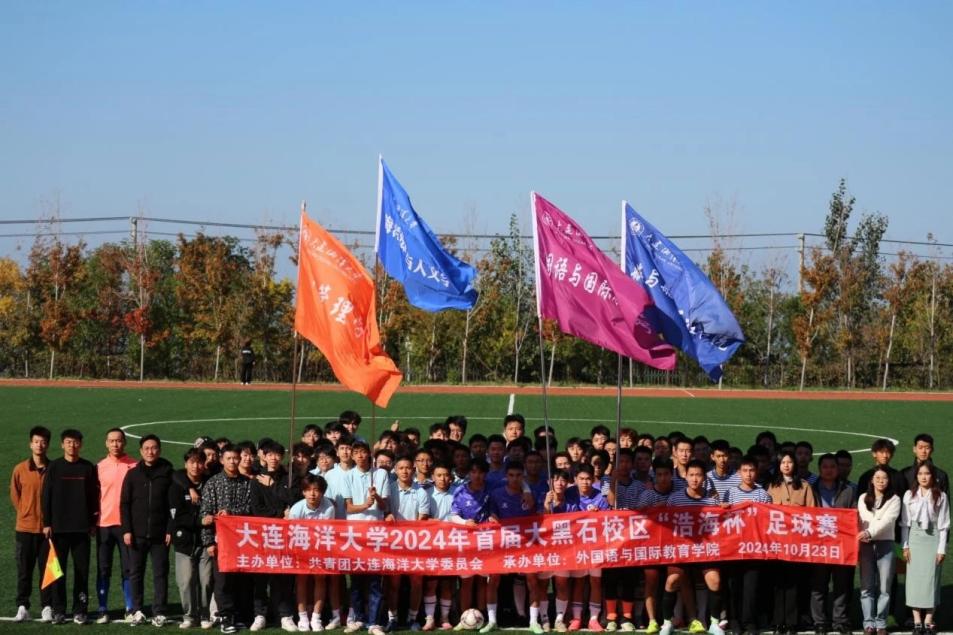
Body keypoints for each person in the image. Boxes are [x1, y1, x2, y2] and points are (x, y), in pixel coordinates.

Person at [41, 428, 100, 625]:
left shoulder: (87, 467)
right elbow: (46, 496)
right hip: (58, 529)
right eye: (68, 442)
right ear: (62, 445)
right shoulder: (54, 467)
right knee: (58, 571)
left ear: (80, 444)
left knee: (81, 571)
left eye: (75, 442)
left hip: (82, 529)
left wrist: (92, 522)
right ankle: (59, 610)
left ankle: (80, 610)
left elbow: (93, 497)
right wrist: (47, 523)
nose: (72, 446)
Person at [663, 460, 724, 635]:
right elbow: (664, 523)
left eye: (698, 475)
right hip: (681, 548)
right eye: (691, 475)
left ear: (704, 477)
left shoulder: (713, 499)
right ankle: (667, 623)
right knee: (672, 580)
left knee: (715, 580)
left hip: (705, 549)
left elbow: (720, 524)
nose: (695, 479)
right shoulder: (675, 498)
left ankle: (714, 623)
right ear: (685, 476)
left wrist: (724, 509)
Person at [120, 434, 174, 626]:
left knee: (160, 573)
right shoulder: (133, 474)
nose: (150, 452)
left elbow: (173, 505)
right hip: (137, 534)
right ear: (141, 451)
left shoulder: (167, 473)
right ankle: (137, 610)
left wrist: (169, 529)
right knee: (136, 572)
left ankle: (159, 611)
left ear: (159, 450)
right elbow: (125, 504)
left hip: (160, 535)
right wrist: (127, 530)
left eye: (154, 448)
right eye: (147, 448)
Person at [200, 444, 253, 634]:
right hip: (220, 542)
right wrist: (208, 542)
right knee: (222, 581)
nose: (232, 462)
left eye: (235, 458)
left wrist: (231, 513)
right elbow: (205, 514)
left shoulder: (247, 483)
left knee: (240, 580)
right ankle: (225, 617)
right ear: (222, 460)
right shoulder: (213, 483)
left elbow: (250, 510)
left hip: (243, 540)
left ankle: (238, 616)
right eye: (228, 458)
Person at [767, 450, 816, 635]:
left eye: (789, 462)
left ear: (794, 464)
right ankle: (778, 621)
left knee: (794, 583)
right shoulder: (772, 486)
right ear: (778, 465)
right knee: (778, 583)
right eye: (783, 462)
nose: (786, 465)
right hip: (777, 543)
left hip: (797, 544)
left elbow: (812, 513)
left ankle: (791, 622)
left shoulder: (804, 486)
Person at [343, 441, 389, 635]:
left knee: (374, 580)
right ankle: (359, 618)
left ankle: (374, 622)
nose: (360, 456)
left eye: (363, 452)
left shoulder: (381, 474)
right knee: (356, 580)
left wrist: (376, 497)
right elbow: (348, 507)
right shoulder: (348, 475)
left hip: (375, 533)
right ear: (352, 456)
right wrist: (365, 505)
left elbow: (384, 506)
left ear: (369, 454)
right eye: (357, 453)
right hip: (355, 534)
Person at [249, 441, 296, 632]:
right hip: (263, 535)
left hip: (285, 536)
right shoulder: (256, 480)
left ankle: (285, 615)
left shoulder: (288, 478)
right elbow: (257, 510)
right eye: (270, 455)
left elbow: (293, 500)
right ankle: (259, 614)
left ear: (282, 457)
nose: (274, 458)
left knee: (284, 577)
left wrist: (274, 485)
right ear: (264, 456)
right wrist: (279, 514)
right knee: (261, 576)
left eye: (277, 455)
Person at [10, 425, 53, 623]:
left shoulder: (53, 469)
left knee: (48, 571)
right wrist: (25, 512)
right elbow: (15, 495)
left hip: (47, 530)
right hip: (25, 528)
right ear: (30, 444)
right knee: (24, 570)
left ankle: (47, 607)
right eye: (36, 442)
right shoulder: (20, 469)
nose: (39, 445)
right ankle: (22, 606)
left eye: (43, 442)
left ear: (48, 445)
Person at [725, 456, 772, 635]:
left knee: (751, 587)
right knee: (734, 586)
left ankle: (749, 621)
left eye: (752, 470)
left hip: (754, 548)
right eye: (745, 470)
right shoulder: (730, 493)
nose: (748, 474)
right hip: (733, 548)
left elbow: (768, 518)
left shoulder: (762, 494)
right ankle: (734, 620)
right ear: (739, 473)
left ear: (757, 472)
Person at [810, 453, 856, 635]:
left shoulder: (848, 490)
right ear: (819, 469)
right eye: (825, 467)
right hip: (818, 544)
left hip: (841, 545)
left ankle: (840, 621)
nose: (829, 470)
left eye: (832, 467)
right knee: (818, 585)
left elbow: (853, 516)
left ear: (838, 469)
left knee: (841, 585)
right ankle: (820, 621)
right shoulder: (811, 489)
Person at [901, 463, 950, 635]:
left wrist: (941, 549)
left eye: (927, 473)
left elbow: (944, 525)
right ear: (916, 476)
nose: (923, 477)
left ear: (933, 476)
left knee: (931, 579)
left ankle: (928, 620)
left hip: (933, 539)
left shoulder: (941, 496)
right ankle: (917, 622)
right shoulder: (909, 495)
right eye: (920, 473)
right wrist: (905, 546)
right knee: (914, 580)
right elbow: (905, 523)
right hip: (914, 538)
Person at [95, 427, 137, 623]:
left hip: (126, 526)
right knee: (103, 568)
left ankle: (129, 608)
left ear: (124, 442)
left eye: (119, 440)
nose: (115, 444)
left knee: (128, 568)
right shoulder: (99, 467)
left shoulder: (134, 466)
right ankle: (102, 608)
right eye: (111, 441)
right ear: (106, 443)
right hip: (104, 525)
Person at [169, 447, 213, 630]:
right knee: (186, 581)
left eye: (199, 462)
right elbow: (177, 517)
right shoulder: (176, 487)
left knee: (206, 581)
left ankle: (204, 614)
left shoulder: (210, 484)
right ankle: (189, 615)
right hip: (184, 542)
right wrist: (200, 521)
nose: (196, 466)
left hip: (205, 541)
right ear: (185, 464)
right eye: (192, 462)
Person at [385, 456, 431, 631]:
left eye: (408, 468)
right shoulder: (389, 490)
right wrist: (387, 516)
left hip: (415, 543)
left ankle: (412, 618)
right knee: (393, 583)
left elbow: (422, 519)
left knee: (416, 582)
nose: (405, 471)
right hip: (393, 544)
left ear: (413, 470)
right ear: (395, 470)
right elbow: (384, 513)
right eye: (401, 468)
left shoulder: (421, 492)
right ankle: (392, 618)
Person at [288, 474, 335, 632]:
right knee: (301, 580)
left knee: (320, 579)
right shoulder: (296, 509)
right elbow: (292, 534)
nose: (312, 494)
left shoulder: (329, 507)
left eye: (316, 490)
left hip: (321, 548)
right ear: (303, 492)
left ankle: (316, 617)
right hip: (301, 548)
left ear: (322, 492)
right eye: (308, 490)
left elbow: (327, 532)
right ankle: (302, 618)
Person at [857, 466, 901, 635]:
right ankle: (868, 623)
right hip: (866, 545)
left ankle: (881, 623)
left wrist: (869, 531)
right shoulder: (863, 498)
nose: (881, 481)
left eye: (885, 478)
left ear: (889, 481)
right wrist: (870, 531)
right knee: (866, 586)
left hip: (885, 544)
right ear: (872, 480)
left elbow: (888, 520)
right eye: (878, 478)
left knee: (884, 587)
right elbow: (864, 517)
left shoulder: (895, 499)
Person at [638, 458, 675, 635]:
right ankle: (652, 620)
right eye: (659, 475)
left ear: (671, 474)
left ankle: (674, 618)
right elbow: (636, 519)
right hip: (651, 546)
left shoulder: (678, 494)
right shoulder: (647, 495)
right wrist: (653, 509)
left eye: (666, 474)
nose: (663, 478)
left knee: (675, 579)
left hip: (674, 546)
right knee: (651, 580)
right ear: (654, 476)